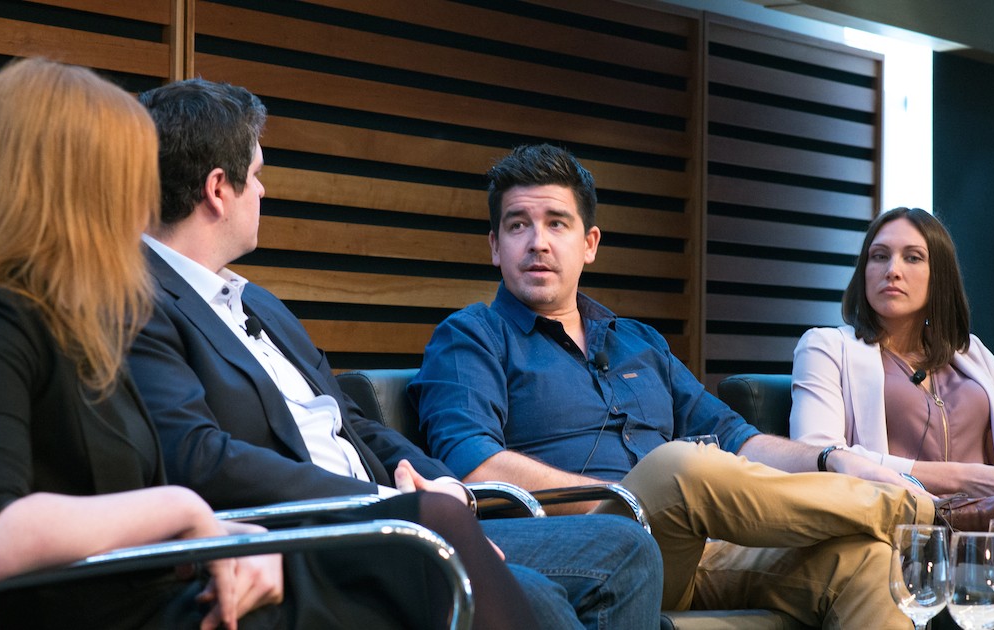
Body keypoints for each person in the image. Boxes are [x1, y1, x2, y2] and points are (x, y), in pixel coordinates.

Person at [125, 78, 663, 630]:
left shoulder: (255, 301)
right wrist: (383, 505)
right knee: (540, 599)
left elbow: (350, 420)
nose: (262, 191)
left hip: (403, 516)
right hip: (327, 531)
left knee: (627, 548)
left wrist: (446, 488)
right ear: (219, 189)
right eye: (257, 175)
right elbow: (198, 456)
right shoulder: (139, 301)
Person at [409, 143, 948, 629]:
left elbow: (737, 438)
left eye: (557, 223)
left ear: (589, 243)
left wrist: (829, 459)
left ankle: (896, 508)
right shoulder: (471, 336)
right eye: (517, 225)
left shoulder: (637, 342)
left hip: (693, 549)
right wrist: (616, 504)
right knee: (678, 467)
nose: (537, 242)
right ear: (495, 246)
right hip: (589, 541)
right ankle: (925, 511)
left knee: (869, 564)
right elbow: (474, 465)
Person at [0, 58, 290, 630]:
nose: (143, 206)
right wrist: (182, 508)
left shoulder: (83, 322)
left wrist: (244, 539)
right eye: (129, 178)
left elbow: (125, 510)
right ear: (77, 187)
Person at [790, 207, 994, 498]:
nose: (892, 270)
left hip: (990, 537)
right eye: (879, 257)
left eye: (912, 258)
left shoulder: (971, 353)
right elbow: (819, 454)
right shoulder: (826, 346)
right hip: (900, 533)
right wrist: (963, 477)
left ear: (939, 276)